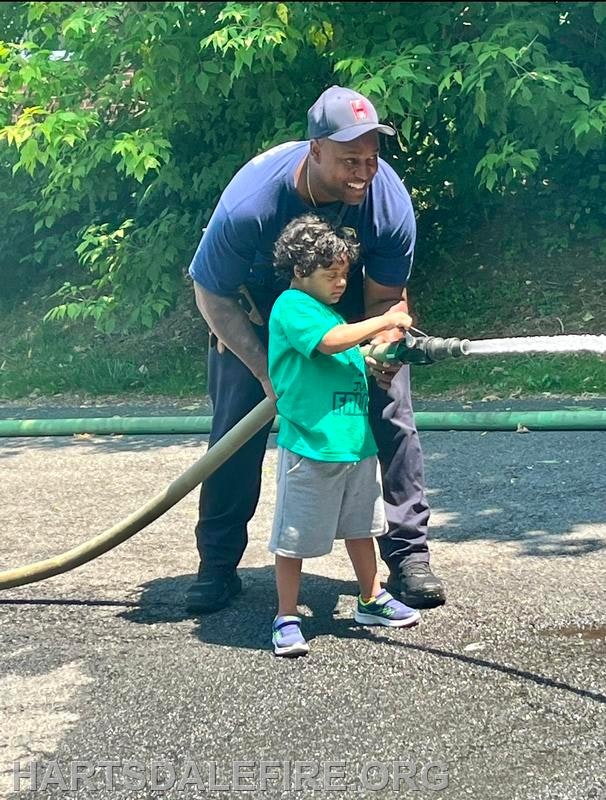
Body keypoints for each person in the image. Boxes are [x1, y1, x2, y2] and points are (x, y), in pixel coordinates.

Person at [187, 84, 446, 614]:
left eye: (371, 159)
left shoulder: (387, 203)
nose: (362, 171)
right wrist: (268, 373)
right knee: (237, 423)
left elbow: (386, 300)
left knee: (390, 409)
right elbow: (210, 291)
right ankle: (216, 565)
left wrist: (379, 352)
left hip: (347, 305)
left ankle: (408, 556)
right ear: (315, 151)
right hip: (256, 308)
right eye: (350, 159)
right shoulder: (250, 204)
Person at [268, 214, 421, 656]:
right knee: (294, 535)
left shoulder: (328, 312)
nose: (340, 283)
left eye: (344, 275)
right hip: (312, 446)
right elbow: (333, 342)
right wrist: (384, 320)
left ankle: (371, 598)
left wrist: (374, 361)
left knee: (361, 526)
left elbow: (344, 355)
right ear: (300, 271)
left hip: (355, 444)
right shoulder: (293, 307)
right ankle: (286, 615)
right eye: (329, 275)